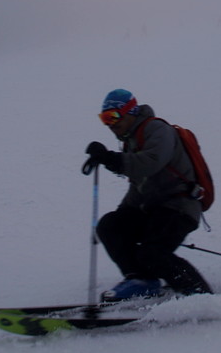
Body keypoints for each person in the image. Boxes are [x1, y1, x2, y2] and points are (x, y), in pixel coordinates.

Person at [85, 89, 213, 301]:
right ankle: (141, 280)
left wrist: (111, 159)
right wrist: (122, 220)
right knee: (110, 225)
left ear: (130, 111)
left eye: (113, 116)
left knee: (153, 253)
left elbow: (150, 163)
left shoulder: (157, 129)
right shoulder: (131, 141)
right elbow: (139, 186)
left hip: (180, 207)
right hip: (154, 210)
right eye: (104, 118)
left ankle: (202, 297)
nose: (110, 124)